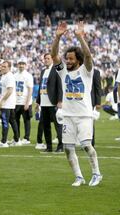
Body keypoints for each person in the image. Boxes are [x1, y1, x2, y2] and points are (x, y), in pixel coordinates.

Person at [51, 21, 102, 186]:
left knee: (87, 146)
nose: (68, 61)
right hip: (68, 115)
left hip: (84, 115)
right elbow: (54, 56)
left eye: (71, 59)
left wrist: (80, 37)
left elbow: (88, 56)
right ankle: (79, 177)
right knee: (68, 148)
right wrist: (57, 37)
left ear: (78, 60)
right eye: (67, 58)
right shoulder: (63, 72)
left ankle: (96, 173)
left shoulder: (86, 71)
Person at [35, 53, 63, 152]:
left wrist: (60, 100)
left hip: (53, 102)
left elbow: (60, 86)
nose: (46, 60)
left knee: (58, 125)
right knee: (46, 126)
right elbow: (40, 87)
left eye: (48, 58)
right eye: (45, 58)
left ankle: (60, 146)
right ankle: (49, 147)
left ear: (52, 59)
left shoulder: (56, 70)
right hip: (44, 103)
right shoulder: (43, 71)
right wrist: (38, 102)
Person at [0, 61, 20, 148]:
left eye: (5, 66)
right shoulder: (4, 75)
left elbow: (10, 90)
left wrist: (2, 101)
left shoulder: (9, 76)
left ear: (9, 67)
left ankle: (3, 141)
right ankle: (17, 140)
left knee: (5, 122)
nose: (2, 68)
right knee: (12, 121)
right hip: (9, 103)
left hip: (7, 103)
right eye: (2, 66)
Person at [14, 57, 33, 144]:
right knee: (15, 121)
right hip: (16, 102)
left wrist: (27, 103)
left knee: (27, 121)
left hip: (25, 101)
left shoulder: (28, 75)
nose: (21, 65)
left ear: (25, 65)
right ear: (17, 65)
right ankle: (16, 137)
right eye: (20, 64)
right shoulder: (14, 75)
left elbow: (30, 90)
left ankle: (26, 138)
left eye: (23, 64)